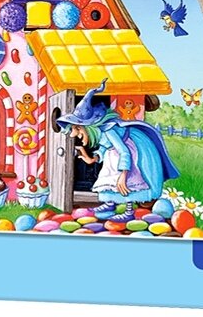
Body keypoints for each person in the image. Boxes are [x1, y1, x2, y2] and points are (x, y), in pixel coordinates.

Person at [56, 81, 179, 223]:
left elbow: (124, 152)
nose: (74, 134)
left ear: (88, 127)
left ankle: (129, 211)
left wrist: (123, 174)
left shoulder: (108, 130)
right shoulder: (102, 133)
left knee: (127, 181)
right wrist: (94, 158)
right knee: (108, 174)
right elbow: (105, 146)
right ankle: (110, 203)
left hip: (128, 152)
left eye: (77, 129)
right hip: (114, 153)